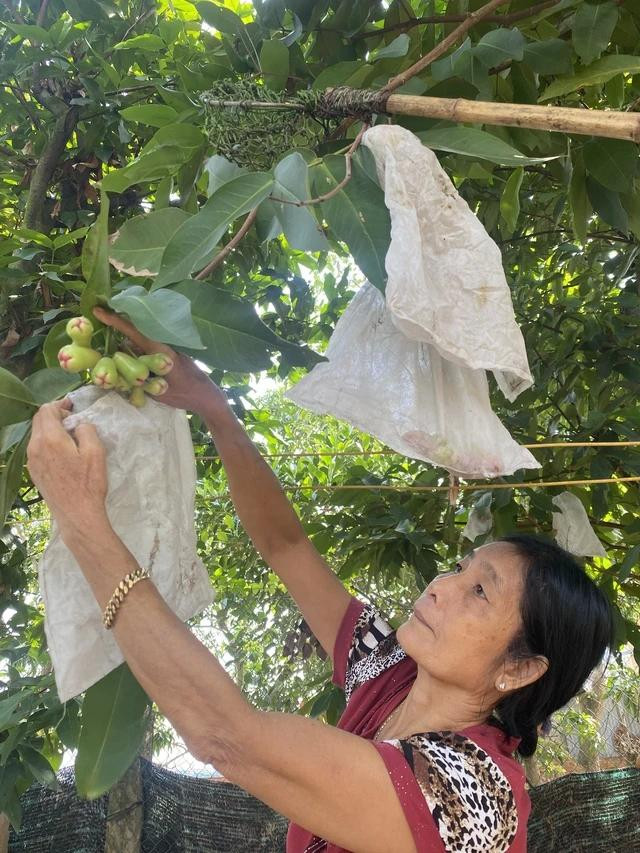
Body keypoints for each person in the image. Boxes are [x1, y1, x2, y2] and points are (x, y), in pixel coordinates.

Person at [26, 307, 616, 853]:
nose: (442, 584)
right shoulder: (387, 671)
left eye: (480, 591)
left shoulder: (475, 796)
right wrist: (212, 406)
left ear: (519, 668)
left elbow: (226, 737)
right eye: (461, 568)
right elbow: (286, 546)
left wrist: (82, 521)